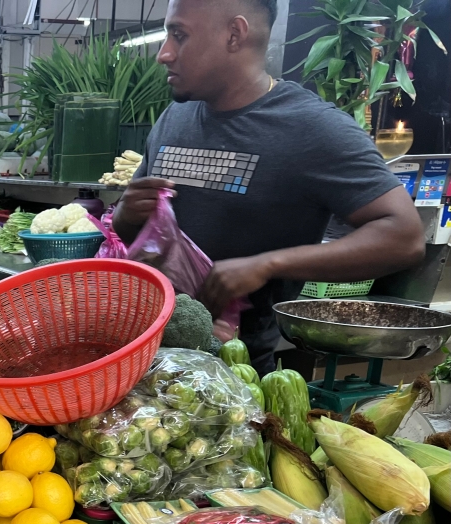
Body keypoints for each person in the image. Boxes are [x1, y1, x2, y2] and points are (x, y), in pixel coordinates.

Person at [113, 0, 426, 374]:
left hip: (236, 373)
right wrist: (126, 214)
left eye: (179, 35)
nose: (164, 53)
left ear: (235, 34)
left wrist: (268, 265)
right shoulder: (174, 118)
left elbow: (404, 237)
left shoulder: (312, 128)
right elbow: (136, 233)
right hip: (140, 358)